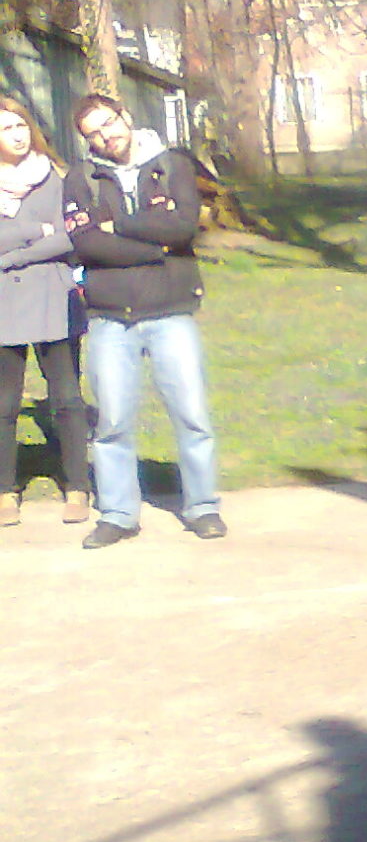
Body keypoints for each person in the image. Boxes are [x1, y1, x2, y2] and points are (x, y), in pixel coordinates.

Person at [66, 90, 225, 548]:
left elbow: (184, 227)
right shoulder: (81, 178)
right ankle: (118, 514)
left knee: (192, 415)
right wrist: (157, 249)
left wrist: (119, 224)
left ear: (125, 116)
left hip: (171, 310)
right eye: (94, 133)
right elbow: (86, 244)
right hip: (110, 317)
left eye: (109, 123)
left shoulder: (173, 165)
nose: (106, 136)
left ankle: (203, 506)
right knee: (113, 421)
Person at [0, 94, 89, 529]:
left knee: (67, 398)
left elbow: (70, 236)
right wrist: (38, 230)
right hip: (4, 303)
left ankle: (78, 486)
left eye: (21, 126)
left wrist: (16, 253)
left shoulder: (55, 175)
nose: (17, 135)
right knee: (4, 403)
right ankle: (4, 490)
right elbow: (46, 234)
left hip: (55, 294)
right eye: (6, 129)